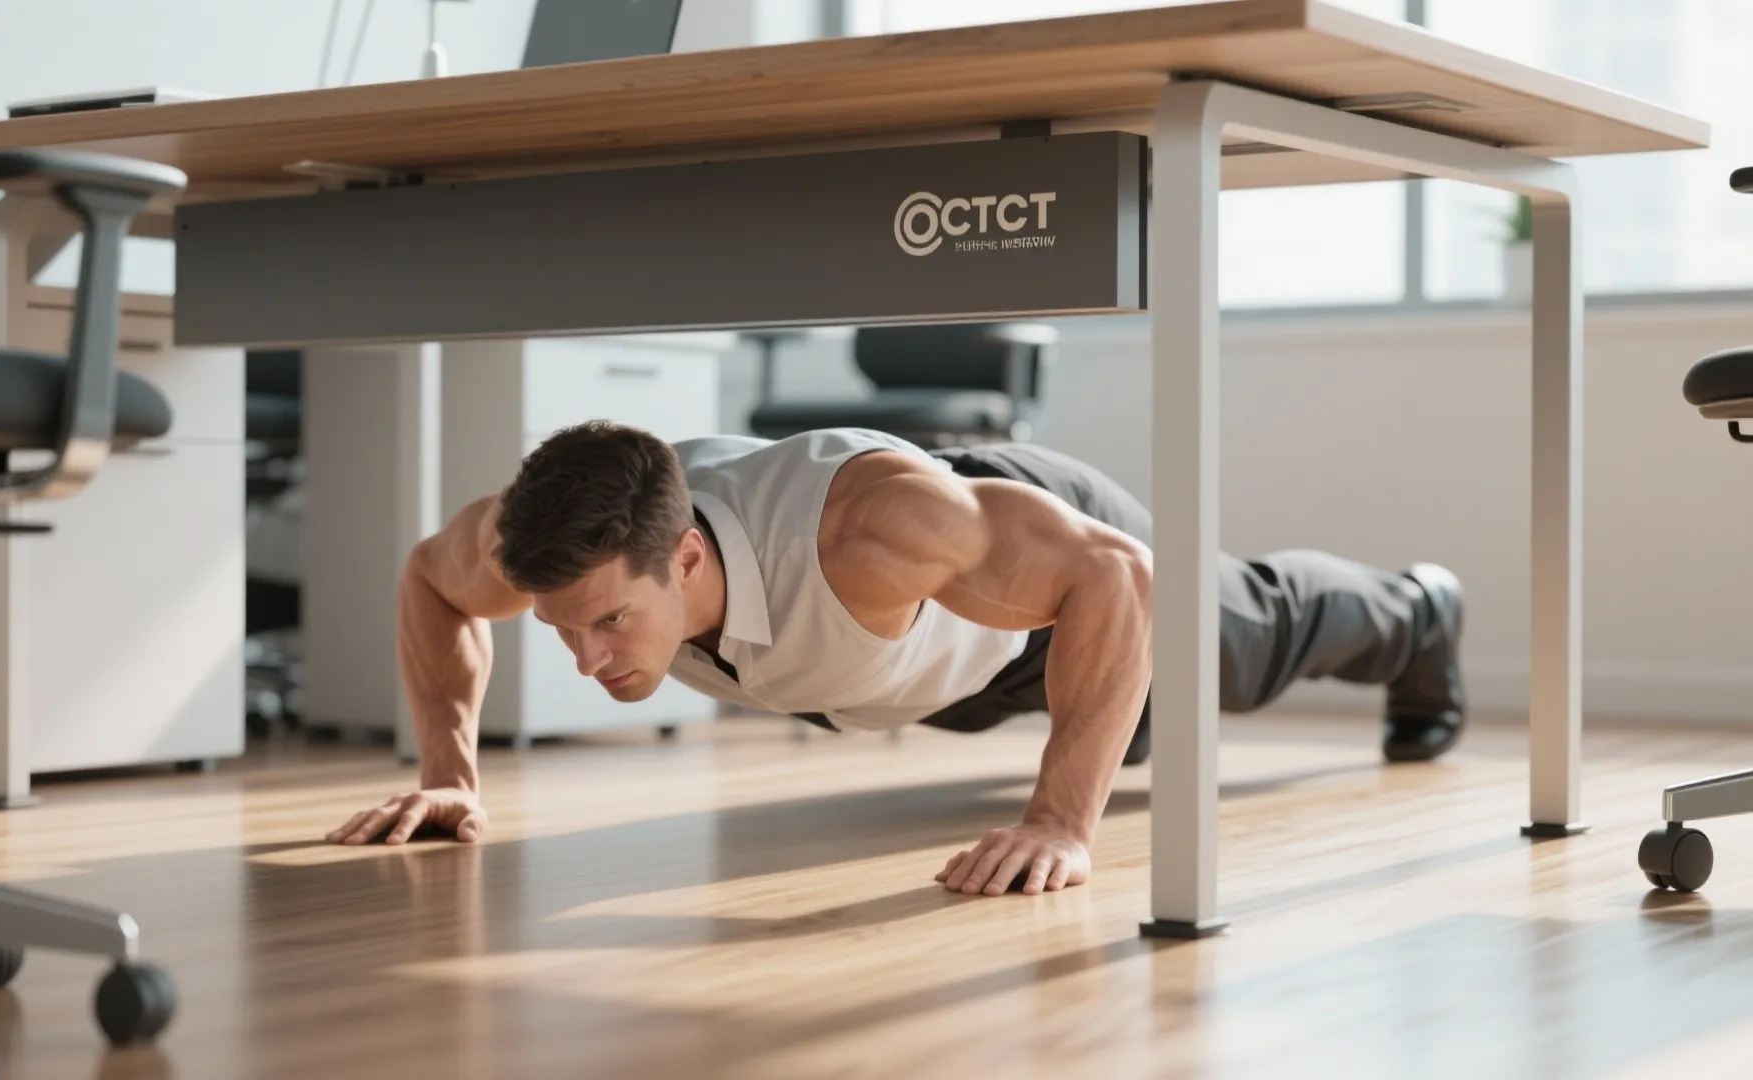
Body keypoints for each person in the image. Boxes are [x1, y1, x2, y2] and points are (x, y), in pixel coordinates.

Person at [325, 422, 1465, 898]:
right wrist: (452, 772)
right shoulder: (558, 549)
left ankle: (1421, 612)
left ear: (682, 558)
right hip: (905, 679)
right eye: (560, 627)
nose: (582, 660)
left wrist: (1064, 824)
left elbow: (1114, 579)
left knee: (1244, 648)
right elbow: (431, 582)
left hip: (1036, 588)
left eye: (610, 626)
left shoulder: (874, 531)